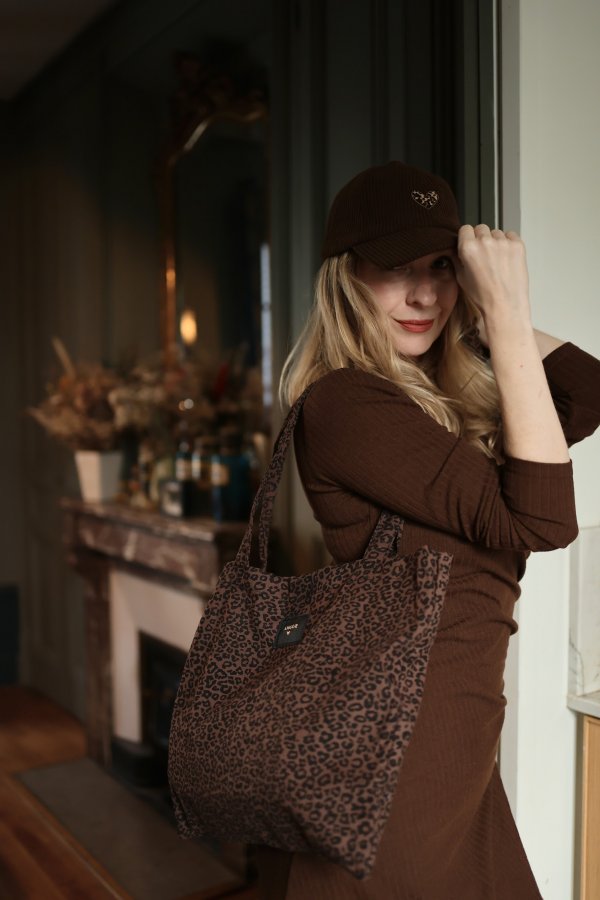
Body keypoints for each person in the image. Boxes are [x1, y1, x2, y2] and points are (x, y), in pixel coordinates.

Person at [254, 161, 600, 899]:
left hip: (449, 755)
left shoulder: (434, 408)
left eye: (441, 268)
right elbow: (543, 517)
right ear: (347, 277)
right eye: (396, 269)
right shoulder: (346, 404)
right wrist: (506, 311)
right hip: (397, 765)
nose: (424, 295)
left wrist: (486, 314)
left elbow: (588, 391)